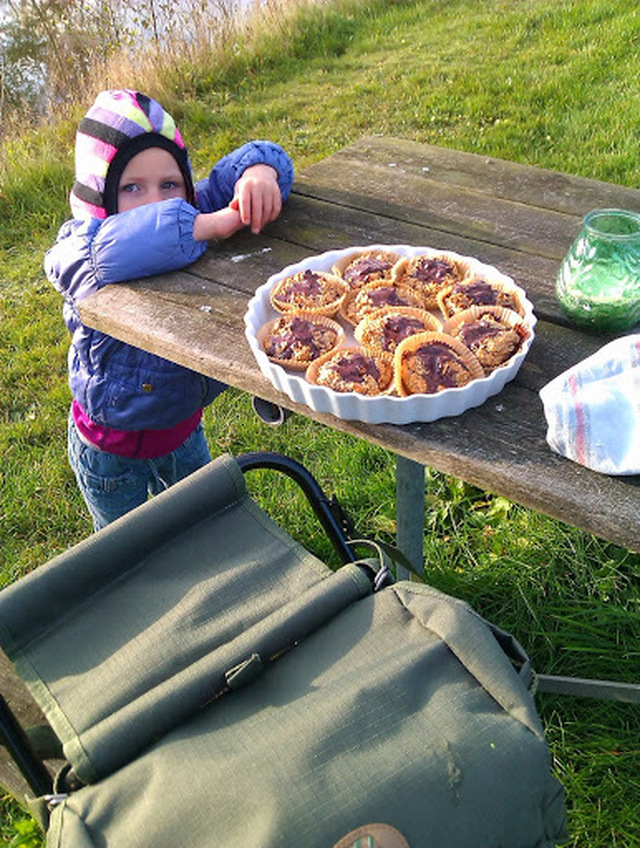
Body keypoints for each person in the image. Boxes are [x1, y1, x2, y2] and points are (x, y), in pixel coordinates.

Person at [46, 89, 294, 531]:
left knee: (202, 532)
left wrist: (259, 174)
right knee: (126, 556)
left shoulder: (187, 209)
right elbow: (116, 245)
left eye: (169, 184)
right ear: (99, 197)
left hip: (183, 432)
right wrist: (205, 224)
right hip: (110, 452)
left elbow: (254, 159)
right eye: (132, 188)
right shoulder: (83, 248)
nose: (156, 202)